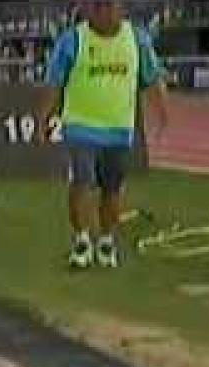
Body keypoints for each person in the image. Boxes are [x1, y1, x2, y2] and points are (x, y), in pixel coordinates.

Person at [38, 0, 169, 269]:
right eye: (97, 6)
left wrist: (161, 111)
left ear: (121, 8)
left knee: (112, 189)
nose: (103, 12)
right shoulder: (72, 40)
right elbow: (54, 82)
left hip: (119, 130)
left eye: (109, 5)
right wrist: (45, 117)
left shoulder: (137, 39)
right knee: (82, 183)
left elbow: (151, 77)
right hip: (80, 126)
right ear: (87, 9)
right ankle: (82, 240)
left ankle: (106, 241)